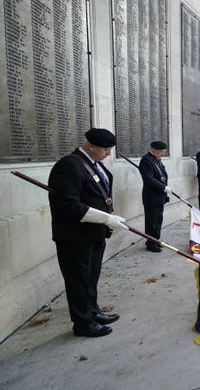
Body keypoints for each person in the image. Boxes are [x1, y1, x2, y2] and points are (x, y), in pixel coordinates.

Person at [48, 128, 126, 337]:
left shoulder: (93, 165)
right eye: (106, 149)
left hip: (94, 234)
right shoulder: (69, 165)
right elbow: (69, 205)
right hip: (75, 237)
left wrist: (106, 220)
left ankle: (92, 312)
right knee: (78, 280)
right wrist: (106, 218)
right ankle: (82, 323)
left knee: (91, 277)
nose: (109, 153)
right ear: (91, 146)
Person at [139, 141, 169, 253]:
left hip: (159, 196)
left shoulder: (156, 159)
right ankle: (150, 244)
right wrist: (163, 187)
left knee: (158, 220)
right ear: (155, 150)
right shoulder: (147, 160)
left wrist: (164, 189)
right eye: (161, 152)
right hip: (151, 196)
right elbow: (149, 179)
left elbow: (161, 176)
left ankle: (155, 240)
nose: (162, 154)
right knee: (151, 221)